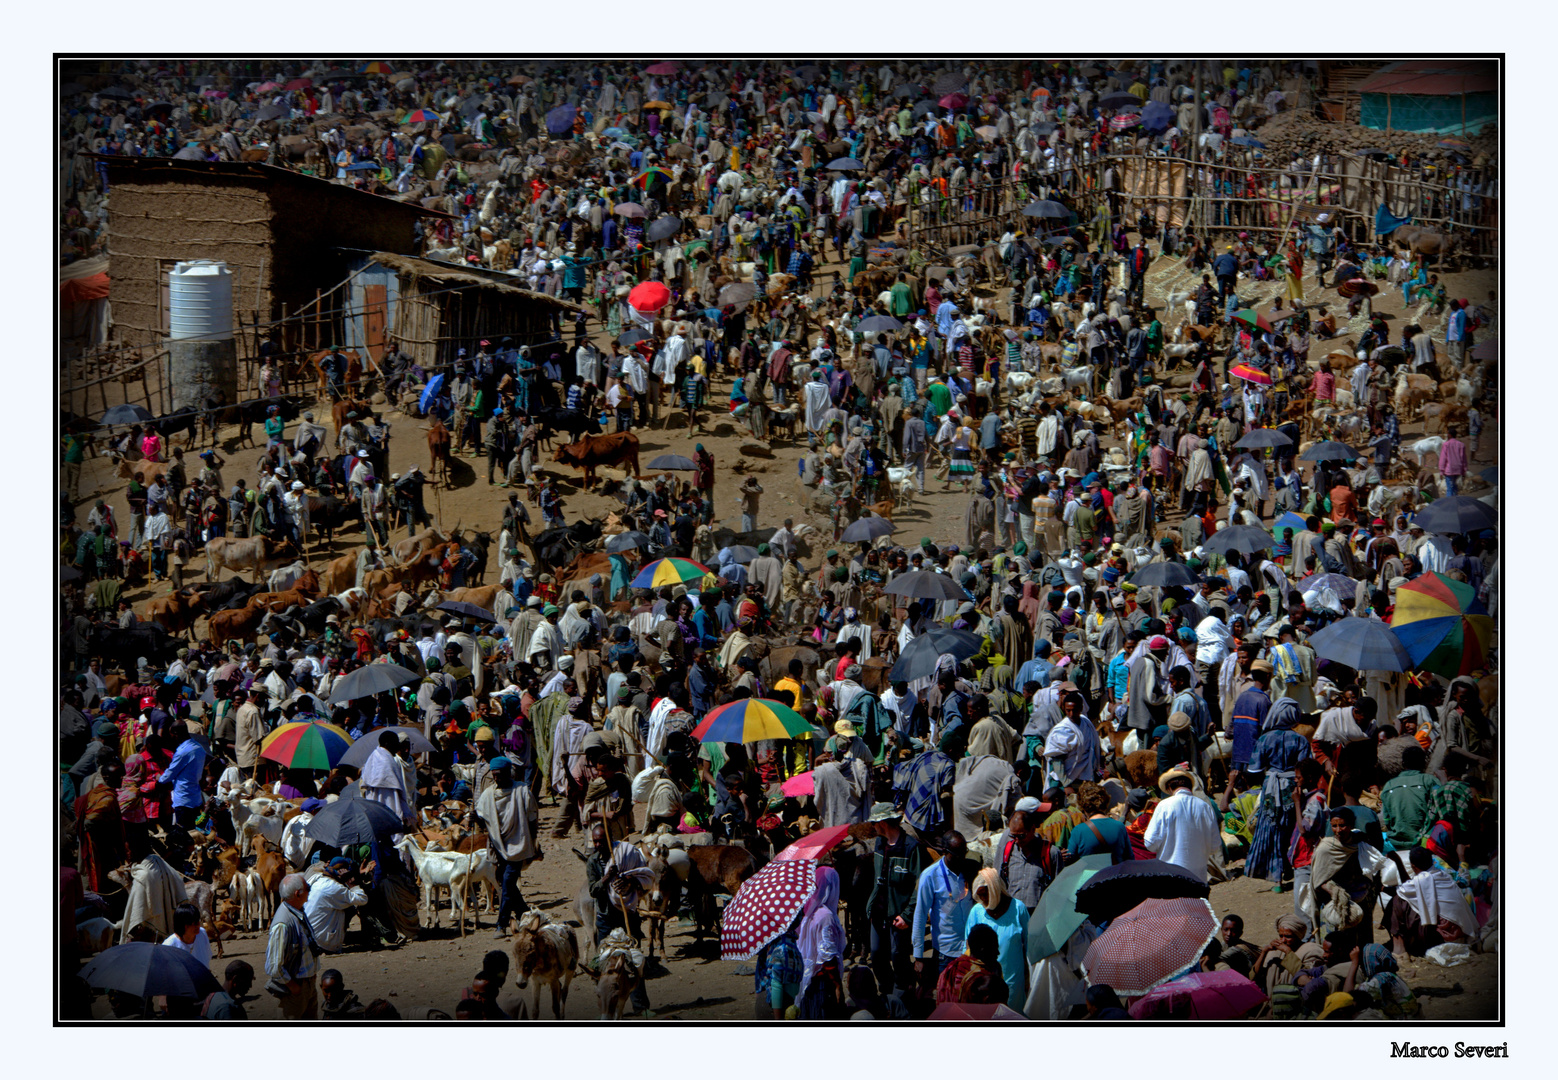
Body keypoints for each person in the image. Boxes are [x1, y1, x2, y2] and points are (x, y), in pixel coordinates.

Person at [475, 756, 539, 938]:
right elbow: (482, 817)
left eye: (500, 774)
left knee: (509, 881)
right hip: (497, 845)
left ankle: (501, 924)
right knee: (505, 883)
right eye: (494, 775)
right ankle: (524, 913)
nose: (497, 778)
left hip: (518, 844)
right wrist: (474, 817)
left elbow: (533, 818)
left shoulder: (522, 791)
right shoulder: (488, 795)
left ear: (508, 772)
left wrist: (534, 842)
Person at [962, 868, 1029, 1011]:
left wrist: (1030, 977)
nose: (983, 900)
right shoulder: (977, 911)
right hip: (984, 985)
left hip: (1012, 982)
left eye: (985, 895)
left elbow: (1030, 946)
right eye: (979, 896)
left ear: (995, 889)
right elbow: (967, 948)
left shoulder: (1018, 909)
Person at [1143, 770, 1222, 883]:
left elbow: (1150, 843)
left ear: (1170, 788)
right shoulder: (1204, 806)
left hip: (1171, 876)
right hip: (1199, 877)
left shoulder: (1164, 806)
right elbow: (1214, 846)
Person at [265, 873, 323, 1019]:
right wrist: (294, 987)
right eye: (307, 888)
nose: (309, 891)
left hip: (307, 985)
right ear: (298, 894)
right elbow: (274, 966)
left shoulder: (298, 912)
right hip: (295, 991)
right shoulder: (282, 924)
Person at [305, 857, 369, 954]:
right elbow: (362, 899)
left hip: (309, 936)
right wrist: (351, 884)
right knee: (351, 907)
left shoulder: (317, 878)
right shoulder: (333, 887)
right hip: (322, 943)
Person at [934, 924, 1009, 1005]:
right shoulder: (985, 979)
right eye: (994, 948)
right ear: (982, 949)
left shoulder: (950, 969)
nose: (998, 952)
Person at [1067, 781, 1135, 863]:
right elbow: (1129, 858)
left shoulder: (1078, 831)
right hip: (1115, 874)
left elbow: (1069, 861)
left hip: (1089, 875)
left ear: (1082, 806)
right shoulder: (1119, 826)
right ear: (1106, 802)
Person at [162, 902, 212, 969]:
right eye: (194, 923)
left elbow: (208, 956)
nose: (198, 925)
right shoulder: (168, 946)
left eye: (198, 921)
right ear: (184, 926)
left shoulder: (202, 934)